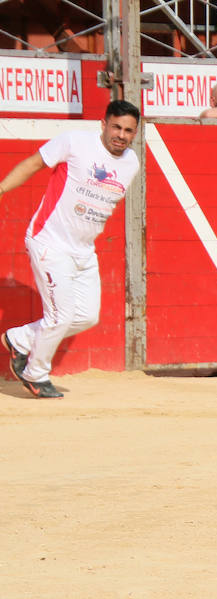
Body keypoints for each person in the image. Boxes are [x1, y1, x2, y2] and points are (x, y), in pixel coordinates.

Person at [0, 100, 142, 399]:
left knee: (87, 316)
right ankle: (34, 374)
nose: (121, 134)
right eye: (116, 126)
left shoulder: (131, 163)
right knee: (60, 316)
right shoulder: (74, 142)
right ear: (103, 124)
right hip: (49, 241)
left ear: (135, 133)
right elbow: (33, 163)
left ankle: (20, 339)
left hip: (84, 250)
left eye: (129, 130)